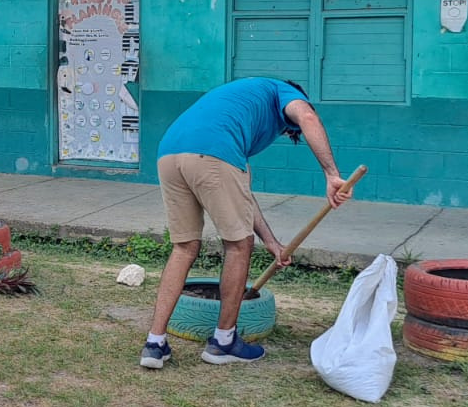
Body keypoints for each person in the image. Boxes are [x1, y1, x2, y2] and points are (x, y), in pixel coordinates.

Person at [141, 77, 348, 369]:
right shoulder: (283, 91)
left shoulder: (238, 109)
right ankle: (223, 342)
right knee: (238, 246)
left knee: (184, 247)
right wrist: (331, 173)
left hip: (169, 154)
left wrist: (273, 244)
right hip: (211, 153)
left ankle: (154, 344)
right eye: (287, 128)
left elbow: (243, 195)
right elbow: (307, 115)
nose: (286, 131)